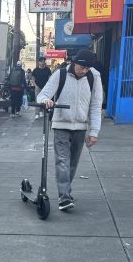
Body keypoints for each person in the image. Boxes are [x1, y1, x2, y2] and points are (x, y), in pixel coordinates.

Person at [37, 49, 103, 212]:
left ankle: (65, 191)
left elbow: (96, 106)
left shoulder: (94, 77)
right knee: (62, 161)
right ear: (74, 62)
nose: (84, 71)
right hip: (61, 125)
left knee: (72, 164)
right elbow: (43, 94)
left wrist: (94, 132)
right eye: (82, 67)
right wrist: (46, 100)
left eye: (87, 68)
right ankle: (64, 197)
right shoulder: (60, 75)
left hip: (80, 127)